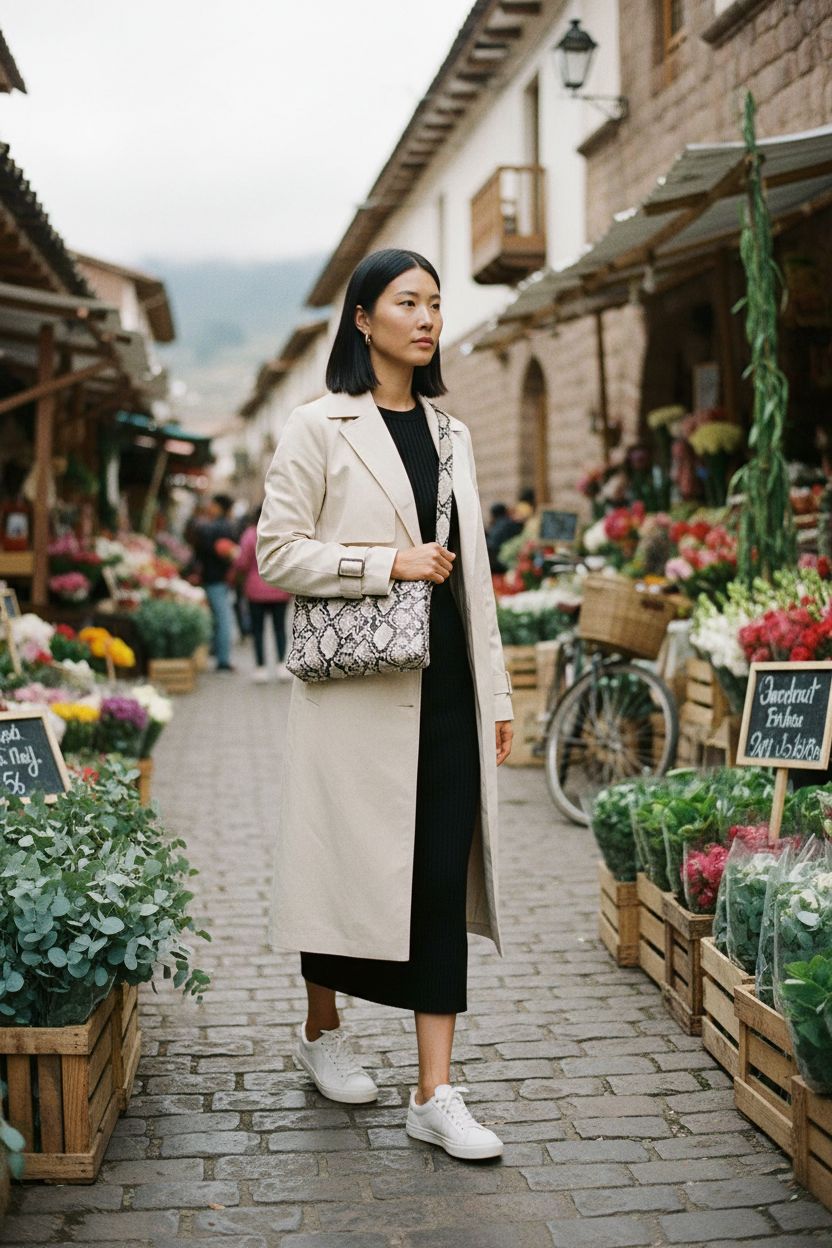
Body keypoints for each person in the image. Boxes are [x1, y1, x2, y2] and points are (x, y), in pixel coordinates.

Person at [256, 247, 514, 1162]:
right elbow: (275, 553)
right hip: (356, 693)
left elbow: (474, 579)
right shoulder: (317, 425)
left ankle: (433, 1091)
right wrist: (381, 563)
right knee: (348, 868)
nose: (426, 317)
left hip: (445, 684)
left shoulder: (453, 435)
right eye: (407, 301)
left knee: (438, 874)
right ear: (362, 318)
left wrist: (500, 690)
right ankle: (323, 1028)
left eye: (436, 303)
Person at [234, 503, 291, 682]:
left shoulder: (250, 535)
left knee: (258, 631)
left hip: (255, 591)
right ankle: (282, 665)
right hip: (279, 589)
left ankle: (261, 668)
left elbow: (242, 562)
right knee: (280, 628)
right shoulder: (281, 532)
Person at [195, 493, 237, 671]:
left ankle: (222, 660)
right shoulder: (228, 527)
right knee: (221, 618)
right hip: (219, 578)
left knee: (222, 619)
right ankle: (221, 657)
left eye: (212, 505)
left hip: (214, 579)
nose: (209, 508)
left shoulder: (213, 528)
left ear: (219, 507)